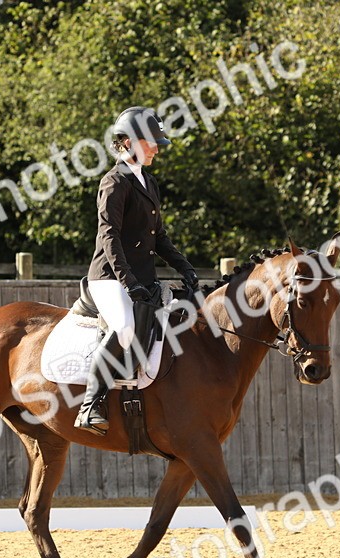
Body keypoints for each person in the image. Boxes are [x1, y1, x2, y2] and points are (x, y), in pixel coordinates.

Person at [74, 106, 199, 435]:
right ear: (129, 143)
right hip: (109, 277)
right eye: (151, 142)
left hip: (141, 279)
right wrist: (128, 282)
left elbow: (159, 238)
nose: (157, 148)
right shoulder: (114, 182)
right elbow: (109, 236)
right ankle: (90, 405)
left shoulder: (149, 183)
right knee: (126, 327)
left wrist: (185, 268)